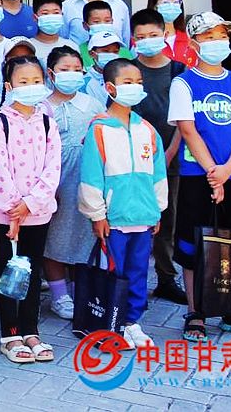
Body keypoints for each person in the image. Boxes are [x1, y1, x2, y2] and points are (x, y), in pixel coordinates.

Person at [168, 12, 231, 344]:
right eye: (209, 37)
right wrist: (214, 172)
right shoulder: (184, 83)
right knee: (193, 241)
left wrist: (226, 171)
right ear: (194, 44)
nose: (217, 42)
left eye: (222, 35)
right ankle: (195, 311)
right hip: (198, 176)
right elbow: (188, 129)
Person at [78, 57, 167, 350]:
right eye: (128, 82)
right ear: (110, 88)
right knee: (112, 272)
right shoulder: (99, 130)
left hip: (143, 216)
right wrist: (97, 214)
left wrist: (157, 210)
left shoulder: (147, 130)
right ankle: (110, 324)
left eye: (139, 82)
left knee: (138, 271)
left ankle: (131, 322)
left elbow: (158, 174)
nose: (135, 87)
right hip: (113, 219)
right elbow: (91, 176)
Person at [0, 55, 61, 365]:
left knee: (32, 271)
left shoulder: (47, 122)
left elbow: (53, 167)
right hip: (8, 215)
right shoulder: (0, 122)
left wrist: (31, 202)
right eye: (23, 81)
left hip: (38, 212)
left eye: (36, 81)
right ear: (9, 86)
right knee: (9, 272)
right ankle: (10, 334)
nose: (31, 86)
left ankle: (31, 331)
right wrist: (14, 207)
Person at [129, 8, 189, 304]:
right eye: (141, 37)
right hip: (131, 160)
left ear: (164, 35)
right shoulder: (126, 70)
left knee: (168, 218)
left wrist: (169, 153)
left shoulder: (178, 71)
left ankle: (166, 278)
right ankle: (131, 281)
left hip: (169, 157)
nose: (147, 41)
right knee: (132, 220)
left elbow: (184, 119)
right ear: (133, 39)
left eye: (153, 35)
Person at [41, 45, 104, 320]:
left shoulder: (92, 104)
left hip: (85, 174)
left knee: (84, 234)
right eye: (65, 69)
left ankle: (82, 291)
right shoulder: (41, 106)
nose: (72, 74)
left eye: (77, 69)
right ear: (51, 73)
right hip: (54, 176)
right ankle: (59, 295)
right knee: (55, 236)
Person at [146, 0, 197, 67]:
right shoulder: (143, 38)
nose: (171, 5)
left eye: (176, 2)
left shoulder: (189, 38)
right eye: (165, 2)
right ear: (155, 6)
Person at [29, 0, 80, 68]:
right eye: (45, 13)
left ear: (62, 15)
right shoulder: (29, 47)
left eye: (56, 13)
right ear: (35, 17)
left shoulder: (72, 46)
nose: (51, 16)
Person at [84, 31, 126, 99]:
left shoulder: (124, 78)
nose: (111, 55)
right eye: (106, 51)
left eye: (115, 51)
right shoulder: (85, 82)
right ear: (92, 53)